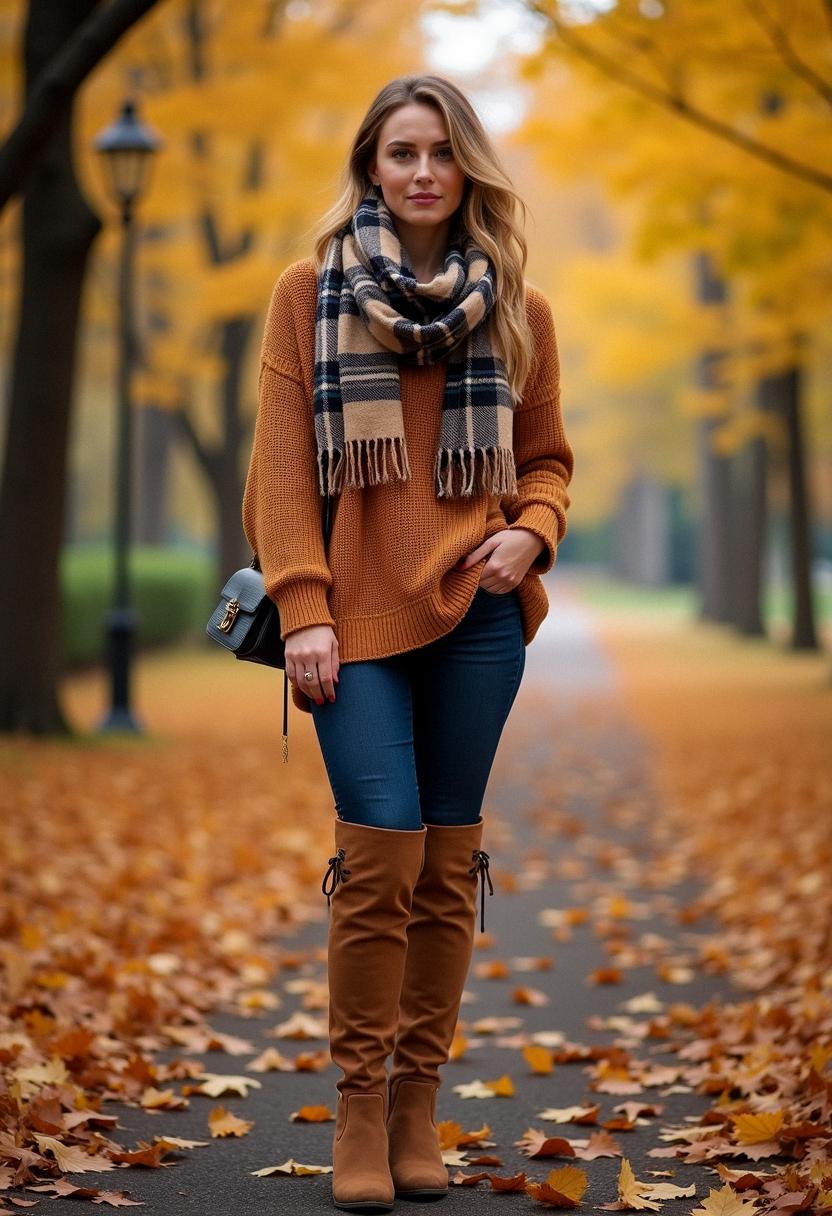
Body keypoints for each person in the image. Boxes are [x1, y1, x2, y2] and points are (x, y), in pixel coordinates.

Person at [242, 73, 574, 1213]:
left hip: (479, 619)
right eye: (399, 152)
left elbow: (547, 461)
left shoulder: (518, 309)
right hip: (355, 625)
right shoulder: (309, 293)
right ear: (370, 167)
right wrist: (303, 607)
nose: (422, 170)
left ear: (465, 165)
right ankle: (357, 1106)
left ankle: (417, 1104)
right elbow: (282, 475)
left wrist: (530, 536)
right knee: (378, 857)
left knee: (445, 867)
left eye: (439, 151)